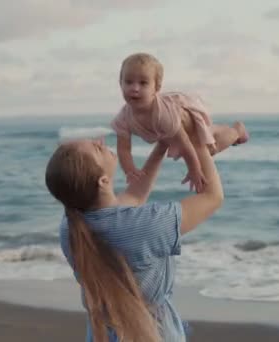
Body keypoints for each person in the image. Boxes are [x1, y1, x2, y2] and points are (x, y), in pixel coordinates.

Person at [45, 122, 245, 340]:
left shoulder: (72, 227)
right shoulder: (147, 225)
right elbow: (212, 197)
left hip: (104, 331)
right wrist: (199, 146)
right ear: (103, 181)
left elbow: (134, 198)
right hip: (150, 332)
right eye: (97, 148)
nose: (100, 141)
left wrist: (160, 148)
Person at [111, 52, 249, 193]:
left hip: (188, 121)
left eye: (143, 83)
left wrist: (194, 169)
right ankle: (219, 130)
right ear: (120, 83)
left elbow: (184, 143)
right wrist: (129, 169)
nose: (135, 88)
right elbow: (124, 149)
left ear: (156, 88)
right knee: (204, 147)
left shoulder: (162, 114)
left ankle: (237, 131)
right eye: (128, 82)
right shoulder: (123, 118)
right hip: (174, 132)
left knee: (209, 149)